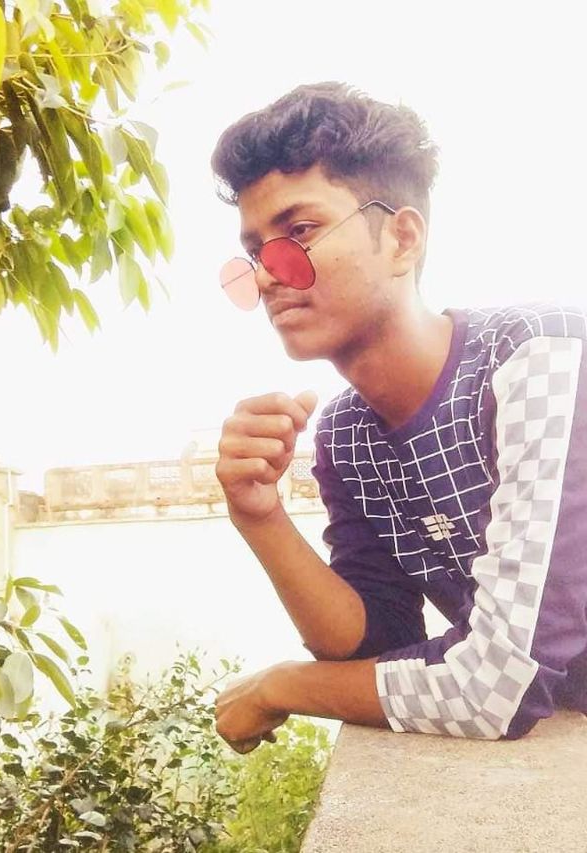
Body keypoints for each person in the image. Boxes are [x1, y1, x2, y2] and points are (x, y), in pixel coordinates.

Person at [210, 82, 587, 754]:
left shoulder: (539, 357)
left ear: (402, 238)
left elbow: (498, 685)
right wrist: (258, 516)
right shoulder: (347, 434)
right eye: (255, 254)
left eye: (299, 232)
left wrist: (279, 687)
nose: (267, 277)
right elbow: (376, 642)